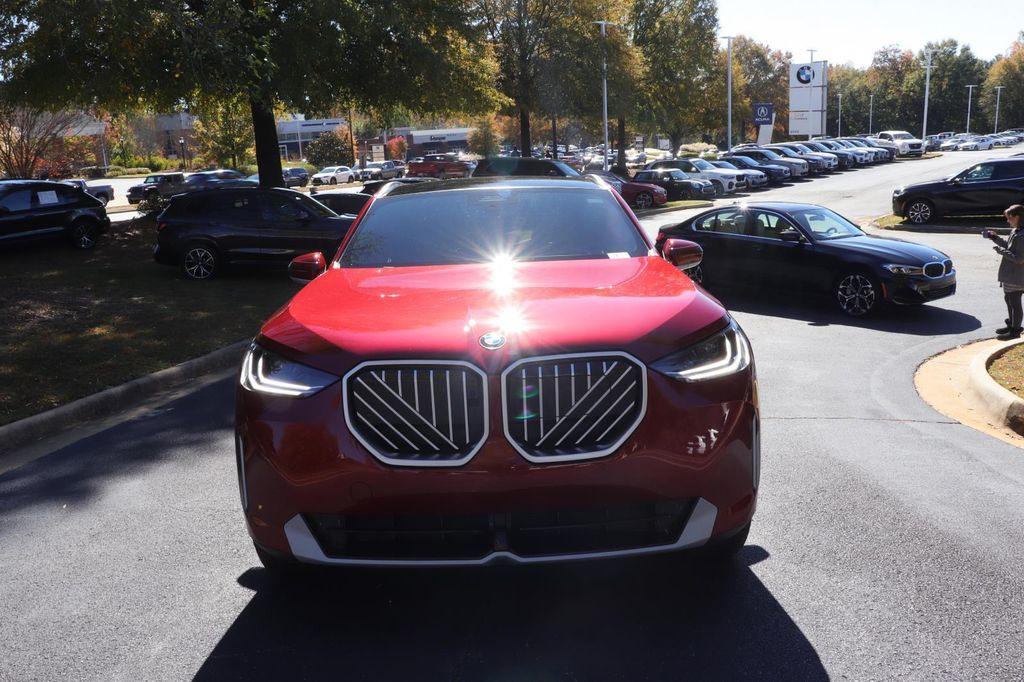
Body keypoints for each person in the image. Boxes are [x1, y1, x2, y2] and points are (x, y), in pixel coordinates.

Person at [984, 204, 1024, 340]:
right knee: (1009, 299)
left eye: (1009, 218)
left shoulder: (1022, 235)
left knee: (1015, 302)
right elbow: (1010, 247)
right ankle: (1011, 325)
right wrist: (994, 237)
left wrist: (1001, 251)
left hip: (1017, 275)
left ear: (1018, 217)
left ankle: (1016, 331)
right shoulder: (1016, 231)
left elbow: (1019, 259)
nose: (1008, 221)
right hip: (1010, 274)